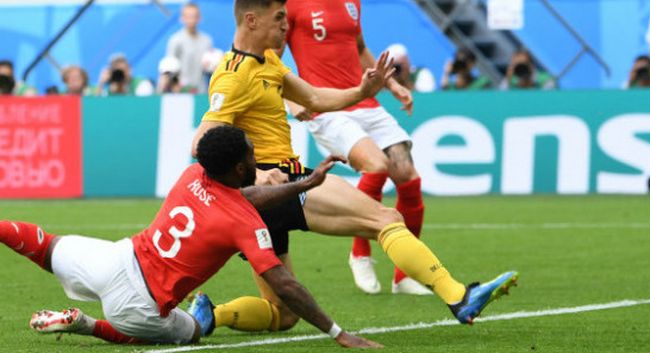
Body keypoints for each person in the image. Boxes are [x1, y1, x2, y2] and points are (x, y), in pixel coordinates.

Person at [188, 0, 518, 336]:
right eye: (279, 17)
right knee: (385, 217)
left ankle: (211, 314)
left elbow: (313, 98)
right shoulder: (232, 76)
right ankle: (458, 295)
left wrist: (361, 90)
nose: (286, 25)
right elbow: (201, 144)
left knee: (282, 315)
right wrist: (259, 176)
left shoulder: (266, 61)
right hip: (278, 182)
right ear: (251, 20)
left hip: (265, 197)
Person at [3, 125, 380, 348]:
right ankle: (84, 323)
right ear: (239, 166)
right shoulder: (245, 224)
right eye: (252, 156)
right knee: (193, 332)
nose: (256, 160)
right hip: (139, 305)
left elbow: (238, 196)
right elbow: (284, 284)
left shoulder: (191, 174)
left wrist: (308, 183)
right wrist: (338, 332)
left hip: (115, 259)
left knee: (44, 245)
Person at [281, 0, 433, 297]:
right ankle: (360, 252)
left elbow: (359, 47)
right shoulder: (291, 1)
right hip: (326, 106)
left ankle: (404, 274)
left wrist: (392, 83)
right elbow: (271, 57)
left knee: (408, 177)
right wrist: (291, 99)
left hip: (363, 98)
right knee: (376, 165)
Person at [165, 2, 214, 93]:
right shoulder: (175, 40)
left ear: (199, 18)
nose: (191, 20)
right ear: (182, 18)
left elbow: (210, 68)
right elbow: (170, 67)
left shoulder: (207, 41)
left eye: (194, 16)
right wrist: (175, 86)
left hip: (201, 90)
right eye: (188, 16)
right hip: (182, 91)